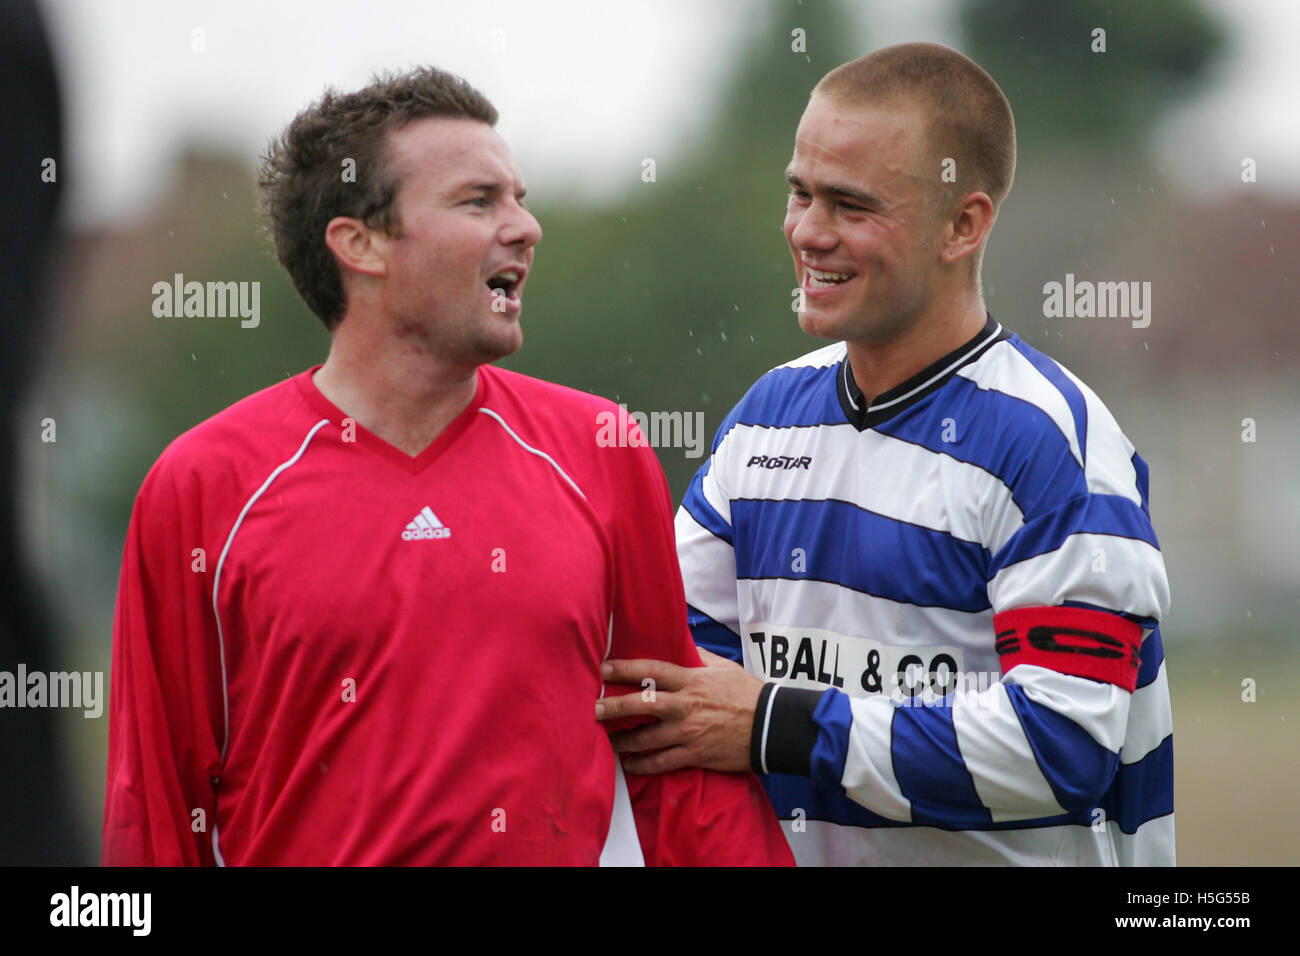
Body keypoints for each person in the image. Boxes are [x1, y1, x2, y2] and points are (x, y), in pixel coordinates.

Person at [102, 67, 793, 866]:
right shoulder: (202, 485)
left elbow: (680, 764)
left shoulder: (601, 448)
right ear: (360, 245)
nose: (526, 227)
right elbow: (154, 811)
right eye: (479, 201)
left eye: (520, 197)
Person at [596, 42, 1173, 866]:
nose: (807, 232)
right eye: (798, 193)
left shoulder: (1053, 446)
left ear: (963, 225)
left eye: (850, 205)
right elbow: (680, 678)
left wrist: (779, 723)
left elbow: (1063, 748)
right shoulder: (766, 422)